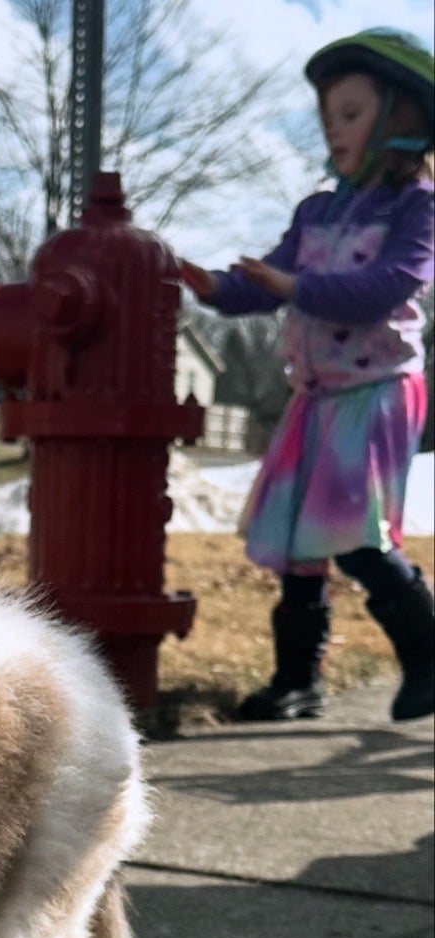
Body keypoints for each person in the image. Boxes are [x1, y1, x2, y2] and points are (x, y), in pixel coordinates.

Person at [180, 28, 434, 722]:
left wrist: (291, 285)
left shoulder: (417, 208)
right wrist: (211, 286)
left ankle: (428, 654)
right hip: (314, 396)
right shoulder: (315, 210)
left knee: (352, 534)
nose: (336, 128)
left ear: (402, 119)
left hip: (376, 392)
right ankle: (298, 680)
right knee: (297, 545)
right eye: (329, 117)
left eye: (353, 113)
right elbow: (263, 282)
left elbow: (384, 288)